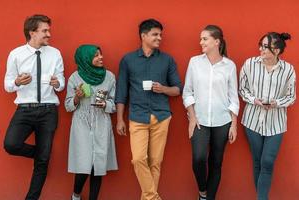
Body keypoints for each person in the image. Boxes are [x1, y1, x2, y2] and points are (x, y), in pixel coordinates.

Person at [115, 19, 182, 200]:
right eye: (155, 34)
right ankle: (153, 197)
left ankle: (148, 198)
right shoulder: (128, 60)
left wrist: (163, 89)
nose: (159, 38)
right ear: (143, 36)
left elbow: (177, 89)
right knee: (138, 159)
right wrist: (120, 119)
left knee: (156, 162)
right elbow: (121, 91)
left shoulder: (167, 60)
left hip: (161, 116)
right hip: (137, 117)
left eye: (160, 34)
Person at [3, 14, 65, 200]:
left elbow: (61, 82)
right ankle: (40, 153)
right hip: (25, 109)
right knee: (11, 145)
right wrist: (17, 81)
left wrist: (57, 83)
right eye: (45, 30)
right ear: (32, 32)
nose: (49, 34)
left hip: (48, 110)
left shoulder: (55, 53)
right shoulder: (16, 54)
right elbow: (7, 85)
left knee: (42, 163)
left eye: (48, 30)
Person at [182, 25, 239, 200]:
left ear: (217, 42)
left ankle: (209, 198)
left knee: (216, 162)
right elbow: (187, 92)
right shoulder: (195, 62)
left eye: (204, 39)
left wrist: (234, 125)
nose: (201, 42)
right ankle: (202, 192)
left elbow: (233, 97)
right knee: (199, 159)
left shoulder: (229, 65)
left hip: (223, 122)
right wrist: (192, 117)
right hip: (200, 120)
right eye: (201, 39)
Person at [239, 32, 296, 200]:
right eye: (261, 45)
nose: (261, 49)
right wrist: (254, 100)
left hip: (276, 122)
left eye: (265, 47)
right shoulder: (250, 64)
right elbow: (243, 89)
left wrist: (276, 103)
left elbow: (291, 96)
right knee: (258, 161)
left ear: (277, 50)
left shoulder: (288, 70)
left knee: (268, 162)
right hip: (252, 120)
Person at [65, 44, 118, 200]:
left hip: (101, 122)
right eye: (96, 55)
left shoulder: (109, 77)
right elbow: (68, 106)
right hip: (82, 123)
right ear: (86, 58)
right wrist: (77, 97)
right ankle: (76, 196)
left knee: (98, 165)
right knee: (83, 164)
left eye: (100, 54)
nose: (100, 57)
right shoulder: (75, 77)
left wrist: (105, 104)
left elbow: (113, 104)